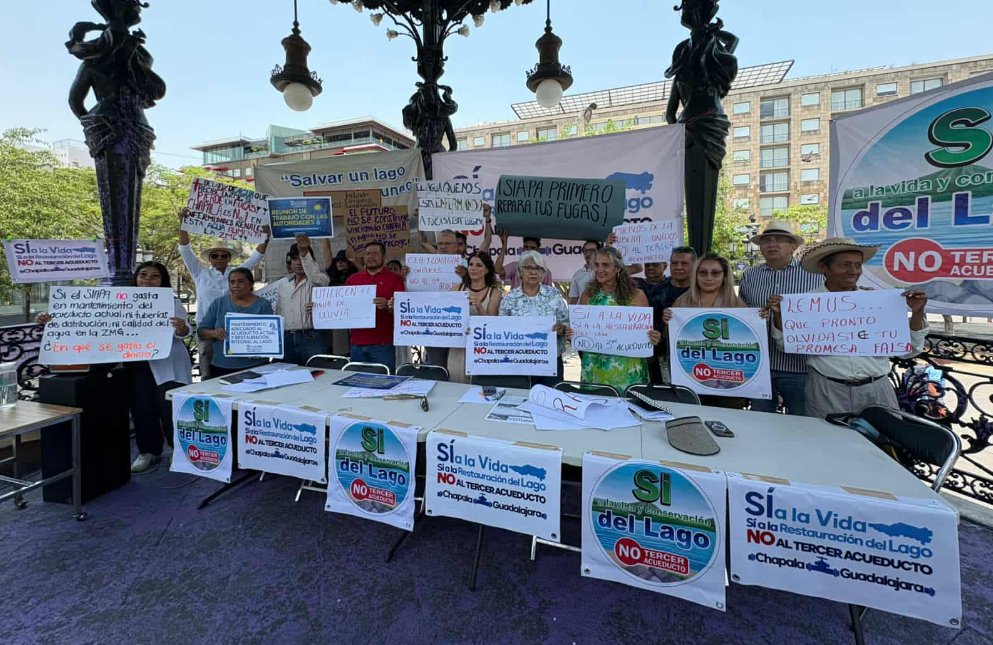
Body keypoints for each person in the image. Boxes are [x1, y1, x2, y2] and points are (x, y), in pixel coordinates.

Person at [38, 262, 193, 472]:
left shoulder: (171, 302)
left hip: (168, 366)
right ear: (136, 278)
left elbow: (185, 332)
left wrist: (183, 328)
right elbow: (88, 322)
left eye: (155, 276)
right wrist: (53, 321)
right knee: (141, 410)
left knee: (171, 410)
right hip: (135, 366)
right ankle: (149, 452)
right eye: (143, 275)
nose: (147, 279)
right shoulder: (118, 303)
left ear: (162, 281)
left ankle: (179, 451)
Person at [767, 237, 928, 420]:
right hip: (826, 391)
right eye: (844, 265)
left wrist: (917, 313)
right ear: (823, 267)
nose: (853, 271)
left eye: (858, 265)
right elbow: (785, 345)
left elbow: (910, 351)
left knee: (881, 445)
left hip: (877, 389)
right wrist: (780, 316)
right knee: (829, 444)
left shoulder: (878, 302)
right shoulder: (804, 304)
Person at [737, 220, 822, 415]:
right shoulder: (749, 275)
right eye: (766, 241)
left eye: (779, 240)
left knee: (801, 422)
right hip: (758, 365)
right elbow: (741, 311)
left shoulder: (814, 275)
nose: (772, 244)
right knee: (761, 422)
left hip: (798, 366)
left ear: (793, 246)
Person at [178, 207, 270, 379]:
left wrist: (266, 238)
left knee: (240, 371)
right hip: (207, 330)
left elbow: (256, 257)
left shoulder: (238, 272)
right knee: (207, 373)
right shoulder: (200, 273)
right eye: (215, 255)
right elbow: (185, 250)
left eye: (223, 255)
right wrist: (183, 224)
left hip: (237, 330)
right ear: (209, 258)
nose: (219, 258)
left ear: (229, 258)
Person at [661, 253, 748, 409]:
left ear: (724, 276)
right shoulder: (682, 301)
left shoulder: (737, 305)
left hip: (726, 385)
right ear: (696, 275)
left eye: (715, 273)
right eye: (703, 273)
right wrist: (667, 323)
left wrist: (760, 319)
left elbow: (748, 342)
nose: (709, 278)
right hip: (689, 379)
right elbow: (670, 342)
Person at [574, 247, 662, 393]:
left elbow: (646, 333)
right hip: (596, 366)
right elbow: (583, 331)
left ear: (618, 268)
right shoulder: (588, 295)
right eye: (596, 265)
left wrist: (653, 336)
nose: (599, 269)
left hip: (628, 367)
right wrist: (574, 333)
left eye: (605, 265)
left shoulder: (636, 295)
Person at [498, 251, 570, 387]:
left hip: (551, 360)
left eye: (538, 268)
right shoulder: (509, 298)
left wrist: (562, 329)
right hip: (519, 361)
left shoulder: (554, 294)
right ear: (520, 272)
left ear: (543, 273)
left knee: (551, 399)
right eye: (528, 268)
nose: (533, 272)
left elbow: (566, 323)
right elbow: (501, 329)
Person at [197, 267, 274, 378]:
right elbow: (201, 332)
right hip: (221, 366)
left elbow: (270, 335)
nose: (235, 285)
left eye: (241, 282)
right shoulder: (218, 303)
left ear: (251, 284)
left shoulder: (263, 305)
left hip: (256, 366)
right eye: (232, 282)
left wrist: (262, 348)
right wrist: (213, 333)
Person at [345, 241, 405, 372]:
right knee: (357, 386)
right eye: (367, 254)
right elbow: (342, 307)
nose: (370, 257)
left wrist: (388, 306)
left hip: (384, 344)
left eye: (375, 253)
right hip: (357, 344)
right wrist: (319, 307)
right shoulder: (352, 279)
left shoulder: (395, 279)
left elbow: (403, 312)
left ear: (384, 258)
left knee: (384, 383)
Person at [447, 252, 503, 383]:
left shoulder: (494, 293)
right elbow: (446, 318)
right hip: (458, 347)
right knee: (456, 384)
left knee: (480, 388)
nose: (473, 268)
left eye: (479, 265)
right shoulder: (456, 290)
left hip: (482, 349)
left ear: (487, 270)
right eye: (471, 264)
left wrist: (479, 307)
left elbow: (492, 325)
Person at [277, 234, 330, 366]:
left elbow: (315, 278)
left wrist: (304, 252)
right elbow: (278, 313)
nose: (298, 262)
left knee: (316, 375)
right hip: (287, 338)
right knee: (288, 377)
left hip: (311, 337)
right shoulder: (283, 285)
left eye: (302, 258)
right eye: (295, 258)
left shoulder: (320, 280)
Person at [649, 246, 697, 383]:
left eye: (684, 263)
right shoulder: (656, 291)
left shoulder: (702, 291)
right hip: (661, 357)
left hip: (694, 355)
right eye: (674, 263)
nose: (678, 267)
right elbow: (648, 325)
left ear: (694, 265)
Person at [569, 240, 601, 304]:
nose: (588, 253)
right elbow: (574, 298)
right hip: (582, 312)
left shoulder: (604, 272)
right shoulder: (577, 274)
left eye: (592, 250)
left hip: (601, 311)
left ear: (599, 252)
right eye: (585, 250)